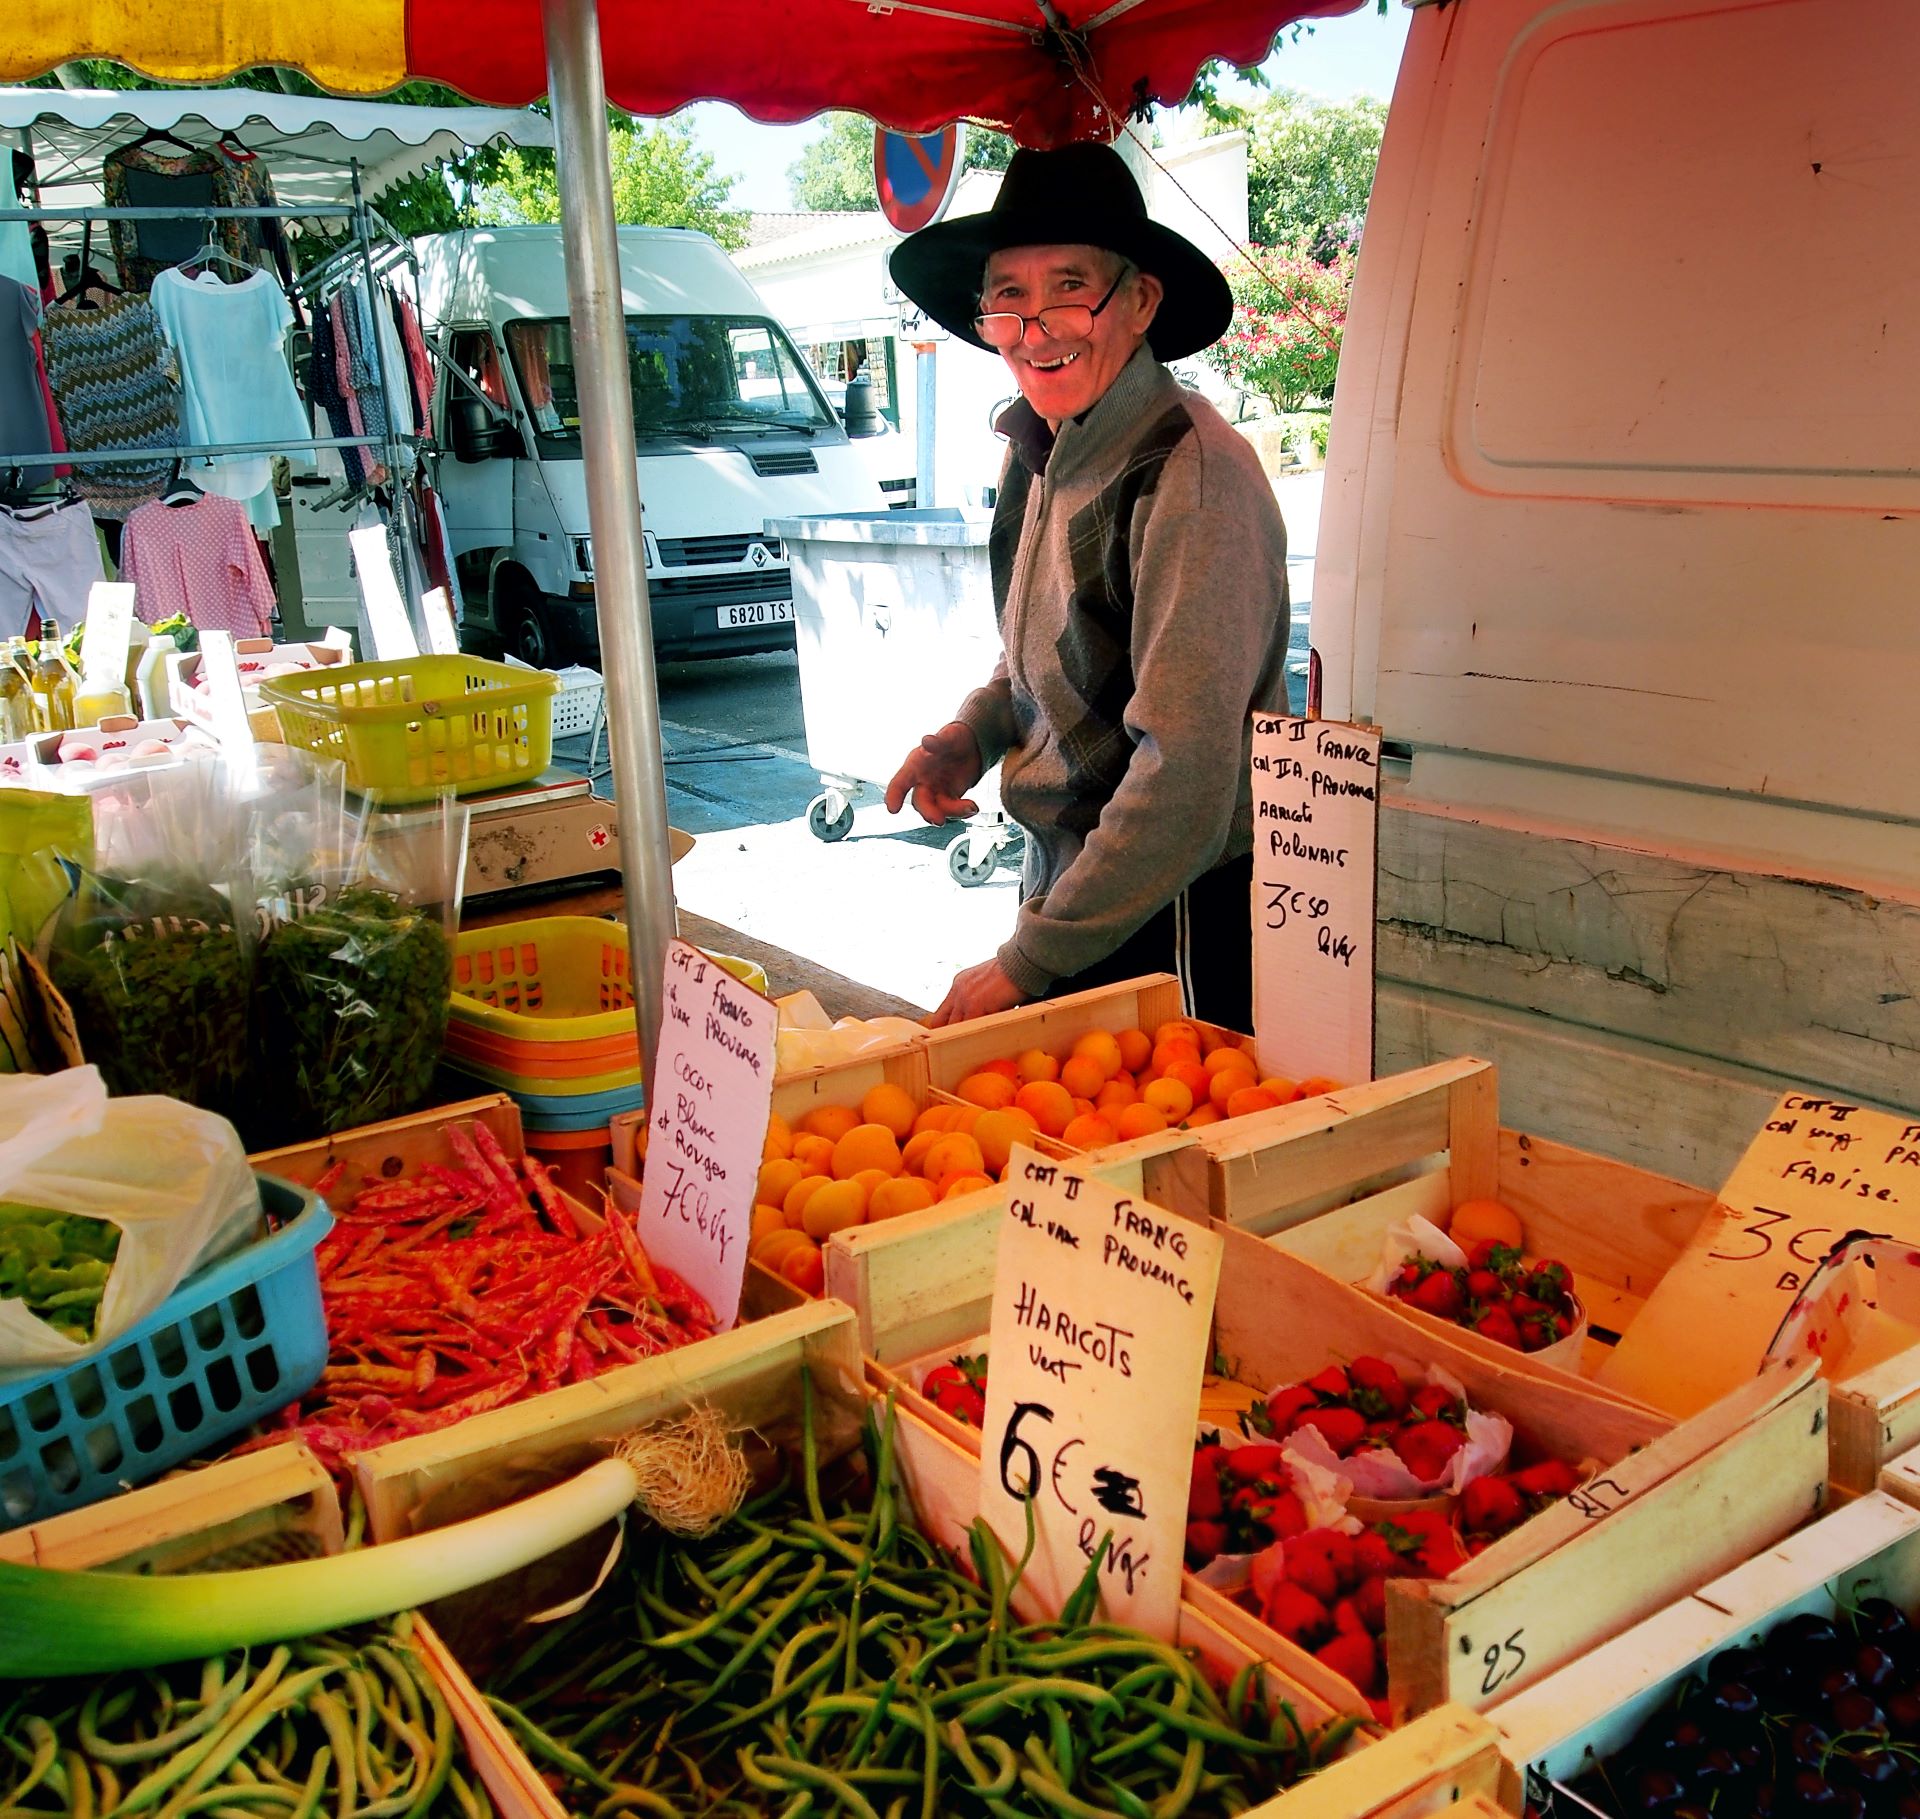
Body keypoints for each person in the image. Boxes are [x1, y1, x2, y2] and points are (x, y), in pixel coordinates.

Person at [884, 142, 1292, 1029]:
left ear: (1140, 301)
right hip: (1072, 904)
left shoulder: (1194, 478)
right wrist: (976, 732)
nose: (1037, 329)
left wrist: (1027, 960)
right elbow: (1045, 656)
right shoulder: (1040, 445)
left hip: (1173, 924)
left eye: (1070, 288)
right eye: (1009, 297)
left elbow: (1184, 776)